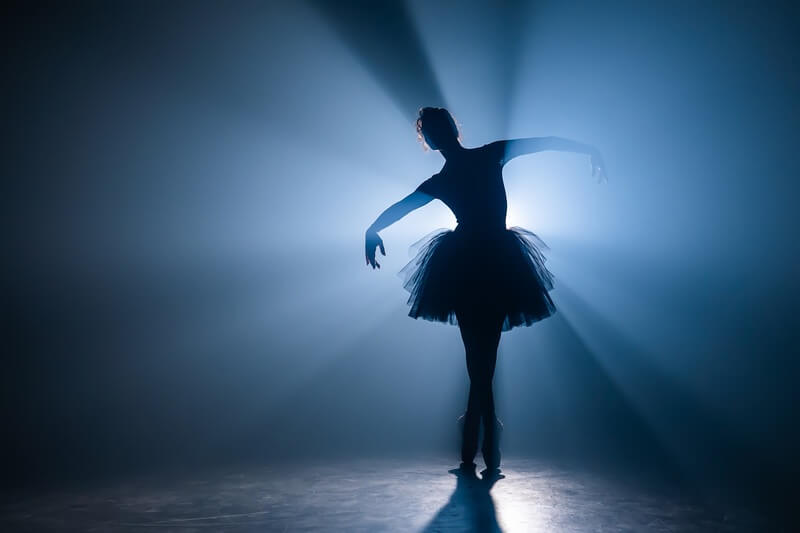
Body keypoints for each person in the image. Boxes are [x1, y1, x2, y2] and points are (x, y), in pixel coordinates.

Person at [365, 107, 606, 475]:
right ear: (431, 139)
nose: (434, 136)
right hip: (472, 263)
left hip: (486, 262)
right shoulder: (452, 174)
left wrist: (588, 148)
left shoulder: (482, 158)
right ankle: (484, 437)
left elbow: (541, 144)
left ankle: (475, 437)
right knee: (479, 357)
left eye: (435, 129)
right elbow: (403, 207)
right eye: (429, 132)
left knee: (482, 357)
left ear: (444, 132)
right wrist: (372, 229)